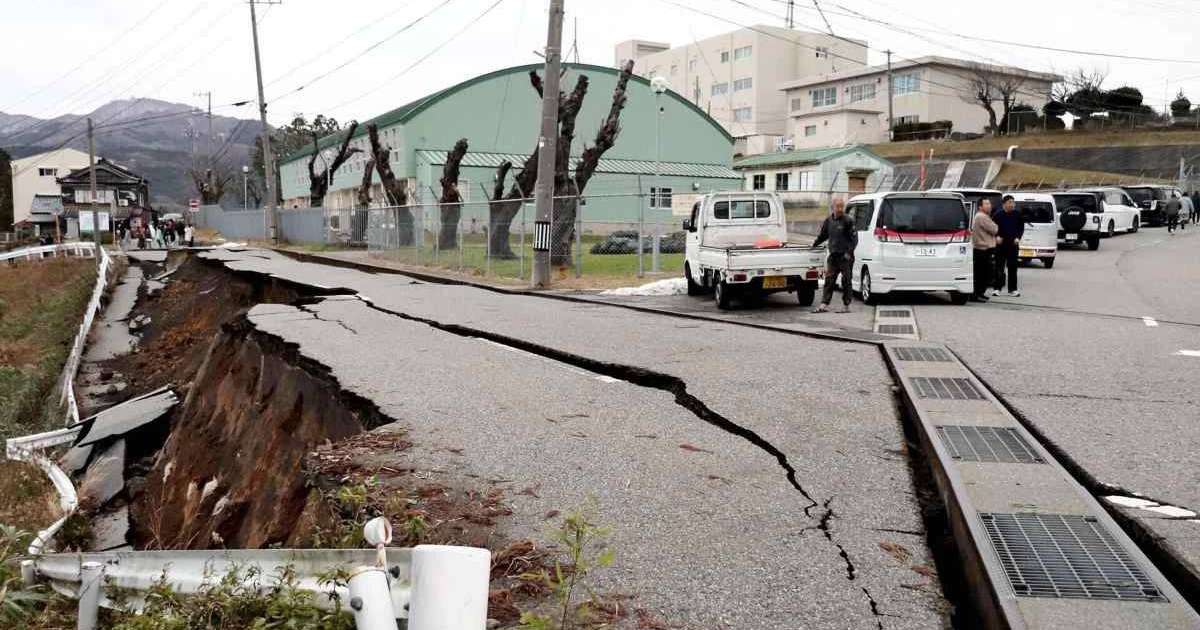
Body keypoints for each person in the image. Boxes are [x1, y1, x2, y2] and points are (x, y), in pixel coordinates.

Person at [811, 198, 858, 313]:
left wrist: (848, 253)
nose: (840, 209)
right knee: (829, 280)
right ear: (833, 207)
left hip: (845, 257)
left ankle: (846, 305)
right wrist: (814, 244)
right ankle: (824, 304)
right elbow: (823, 235)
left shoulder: (848, 221)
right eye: (838, 206)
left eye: (842, 206)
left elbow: (854, 240)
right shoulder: (828, 221)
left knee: (846, 281)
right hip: (833, 256)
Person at [991, 195, 1023, 297]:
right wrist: (996, 237)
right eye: (1009, 202)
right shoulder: (997, 215)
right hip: (1001, 245)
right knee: (999, 267)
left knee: (1013, 267)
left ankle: (1013, 289)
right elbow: (992, 228)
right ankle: (997, 288)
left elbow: (1020, 228)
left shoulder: (1017, 215)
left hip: (1013, 244)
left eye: (1013, 202)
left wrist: (1018, 237)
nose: (1012, 204)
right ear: (1004, 204)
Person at [971, 198, 999, 302]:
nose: (989, 206)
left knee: (984, 273)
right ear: (980, 207)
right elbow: (995, 229)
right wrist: (995, 226)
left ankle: (980, 293)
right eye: (986, 204)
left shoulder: (983, 216)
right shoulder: (982, 216)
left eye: (989, 203)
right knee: (981, 273)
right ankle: (976, 294)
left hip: (983, 248)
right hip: (982, 249)